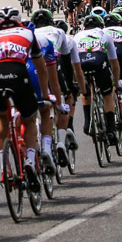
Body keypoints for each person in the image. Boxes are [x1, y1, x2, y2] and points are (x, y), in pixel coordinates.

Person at [0, 7, 48, 191]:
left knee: (2, 116)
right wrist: (43, 93)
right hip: (19, 72)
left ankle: (5, 167)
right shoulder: (28, 33)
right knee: (29, 119)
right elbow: (41, 68)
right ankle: (29, 160)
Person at [30, 10, 85, 168]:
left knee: (38, 103)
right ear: (51, 22)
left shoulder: (31, 33)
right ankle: (61, 142)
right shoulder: (59, 32)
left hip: (33, 66)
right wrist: (70, 88)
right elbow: (67, 61)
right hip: (55, 62)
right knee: (64, 98)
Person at [73, 14, 120, 145]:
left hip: (81, 63)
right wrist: (115, 83)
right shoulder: (105, 35)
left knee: (86, 90)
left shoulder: (77, 36)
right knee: (107, 95)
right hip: (99, 62)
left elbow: (73, 62)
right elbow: (114, 63)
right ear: (100, 26)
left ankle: (87, 122)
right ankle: (110, 129)